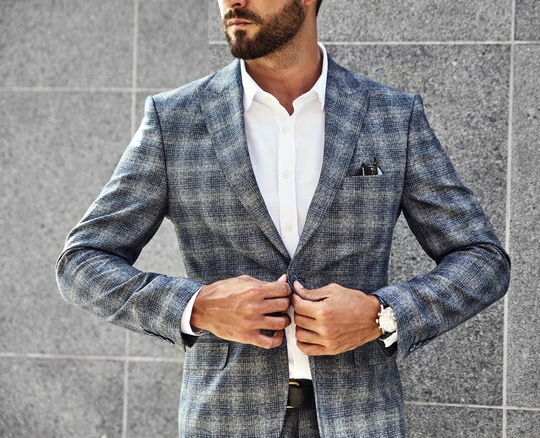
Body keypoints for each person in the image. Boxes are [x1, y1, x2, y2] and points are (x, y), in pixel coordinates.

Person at [56, 0, 510, 436]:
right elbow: (81, 263)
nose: (232, 1)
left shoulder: (392, 116)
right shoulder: (174, 119)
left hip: (362, 420)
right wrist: (199, 307)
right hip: (224, 420)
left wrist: (381, 314)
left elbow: (483, 259)